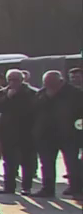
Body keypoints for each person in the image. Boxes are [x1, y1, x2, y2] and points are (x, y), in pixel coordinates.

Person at [31, 70, 83, 199]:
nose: (48, 85)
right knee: (46, 163)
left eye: (51, 83)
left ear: (60, 81)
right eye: (46, 83)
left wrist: (78, 132)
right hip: (46, 135)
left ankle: (76, 189)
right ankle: (47, 189)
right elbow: (34, 112)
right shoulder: (41, 94)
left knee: (72, 163)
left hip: (69, 134)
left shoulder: (75, 93)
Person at [0, 69, 37, 194]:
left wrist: (16, 97)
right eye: (10, 80)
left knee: (26, 161)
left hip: (26, 131)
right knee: (9, 161)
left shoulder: (31, 92)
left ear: (22, 80)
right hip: (8, 132)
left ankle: (26, 187)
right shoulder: (3, 92)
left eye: (15, 80)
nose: (13, 83)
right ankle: (9, 186)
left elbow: (32, 108)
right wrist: (7, 97)